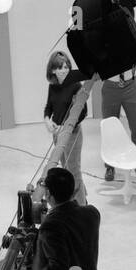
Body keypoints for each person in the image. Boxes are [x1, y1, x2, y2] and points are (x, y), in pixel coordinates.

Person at [102, 35, 136, 183]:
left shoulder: (130, 32)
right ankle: (110, 166)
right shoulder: (101, 37)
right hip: (110, 87)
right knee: (109, 128)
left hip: (130, 86)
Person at [44, 51, 89, 206]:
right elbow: (48, 107)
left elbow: (83, 112)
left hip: (72, 133)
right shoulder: (53, 87)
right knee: (65, 170)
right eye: (60, 67)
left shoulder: (76, 86)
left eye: (66, 67)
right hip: (57, 134)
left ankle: (82, 207)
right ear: (52, 70)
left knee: (74, 172)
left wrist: (68, 125)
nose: (64, 70)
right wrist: (47, 122)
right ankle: (72, 203)